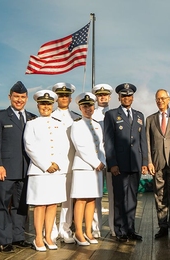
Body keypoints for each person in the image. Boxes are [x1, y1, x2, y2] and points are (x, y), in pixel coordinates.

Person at [0, 81, 36, 253]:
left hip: (25, 170)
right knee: (1, 204)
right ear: (10, 97)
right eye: (16, 96)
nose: (19, 100)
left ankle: (18, 237)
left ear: (26, 98)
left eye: (22, 97)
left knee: (21, 206)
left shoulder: (32, 118)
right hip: (5, 170)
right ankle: (4, 240)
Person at [24, 90, 69, 251]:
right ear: (38, 105)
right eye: (43, 104)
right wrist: (45, 164)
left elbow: (65, 146)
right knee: (40, 205)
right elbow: (29, 146)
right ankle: (38, 238)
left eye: (48, 104)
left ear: (53, 105)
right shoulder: (31, 124)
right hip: (39, 171)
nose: (46, 107)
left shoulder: (60, 124)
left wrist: (57, 163)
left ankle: (49, 236)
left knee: (52, 204)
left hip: (56, 171)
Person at [104, 83, 148, 242]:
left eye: (129, 96)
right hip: (119, 165)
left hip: (135, 163)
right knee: (120, 198)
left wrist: (144, 161)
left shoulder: (139, 115)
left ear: (133, 97)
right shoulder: (111, 115)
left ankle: (130, 230)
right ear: (119, 97)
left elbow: (143, 141)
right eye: (124, 96)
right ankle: (120, 230)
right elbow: (108, 142)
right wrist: (112, 163)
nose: (127, 98)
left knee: (132, 198)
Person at [146, 89, 170, 239]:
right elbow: (148, 143)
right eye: (157, 99)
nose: (160, 101)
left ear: (169, 99)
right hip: (157, 163)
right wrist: (149, 161)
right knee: (160, 195)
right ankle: (163, 226)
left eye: (162, 98)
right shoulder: (150, 119)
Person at [70, 92, 106, 246]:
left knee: (92, 200)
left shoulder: (97, 125)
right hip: (83, 168)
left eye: (90, 106)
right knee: (81, 199)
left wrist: (102, 161)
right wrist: (95, 162)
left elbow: (102, 146)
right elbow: (80, 146)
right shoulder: (76, 124)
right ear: (80, 107)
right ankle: (78, 232)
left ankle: (89, 232)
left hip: (96, 168)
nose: (88, 109)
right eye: (85, 106)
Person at [51, 82, 81, 244]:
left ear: (70, 99)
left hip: (70, 163)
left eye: (66, 96)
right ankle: (51, 230)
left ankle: (65, 228)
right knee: (52, 198)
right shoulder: (50, 116)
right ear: (56, 98)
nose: (63, 98)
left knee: (68, 199)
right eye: (61, 95)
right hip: (54, 164)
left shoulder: (76, 117)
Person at [91, 83, 114, 238]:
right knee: (96, 195)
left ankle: (113, 227)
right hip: (97, 159)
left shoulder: (114, 114)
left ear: (109, 97)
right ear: (96, 97)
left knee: (113, 196)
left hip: (112, 159)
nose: (103, 97)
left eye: (105, 95)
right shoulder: (91, 115)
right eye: (100, 95)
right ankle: (96, 228)